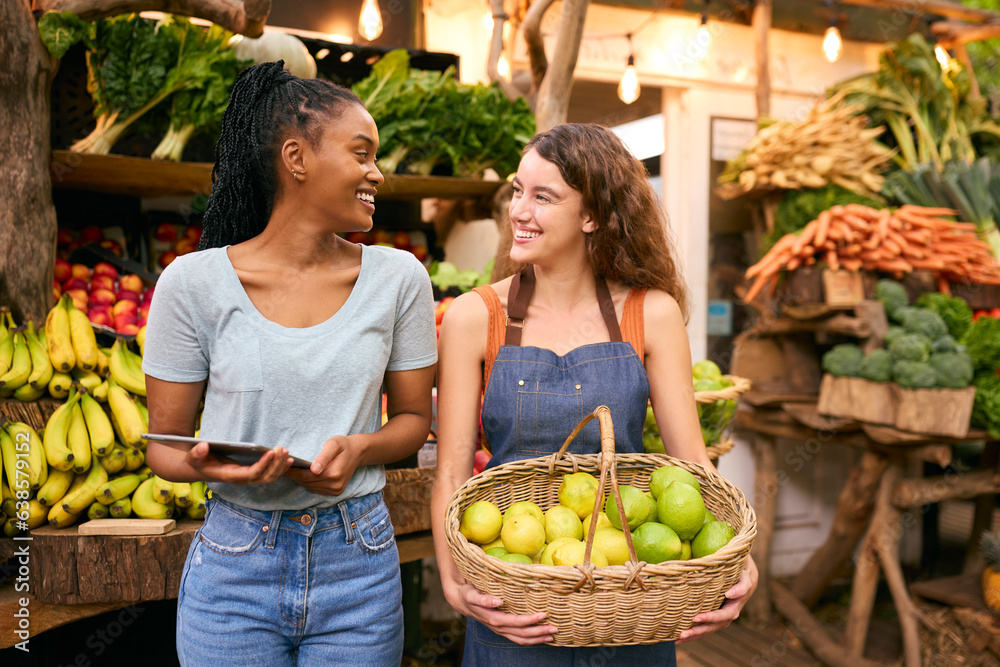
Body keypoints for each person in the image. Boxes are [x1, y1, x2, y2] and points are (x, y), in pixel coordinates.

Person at [142, 61, 437, 666]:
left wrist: (358, 449)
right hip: (233, 568)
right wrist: (219, 471)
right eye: (362, 153)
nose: (376, 174)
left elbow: (412, 421)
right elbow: (164, 449)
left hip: (358, 561)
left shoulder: (400, 279)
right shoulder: (191, 284)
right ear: (296, 158)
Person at [430, 123, 757, 665]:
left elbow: (692, 461)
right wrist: (451, 580)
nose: (519, 210)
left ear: (593, 216)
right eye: (517, 190)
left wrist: (735, 556)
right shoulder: (474, 317)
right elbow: (450, 472)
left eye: (543, 196)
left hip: (628, 593)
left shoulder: (650, 313)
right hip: (517, 598)